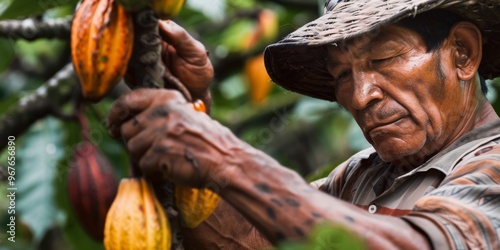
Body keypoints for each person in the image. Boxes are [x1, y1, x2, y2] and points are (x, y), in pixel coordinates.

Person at [107, 0, 500, 249]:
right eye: (343, 75)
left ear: (462, 53)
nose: (360, 97)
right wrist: (189, 116)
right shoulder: (362, 174)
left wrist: (226, 159)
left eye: (383, 60)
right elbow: (249, 240)